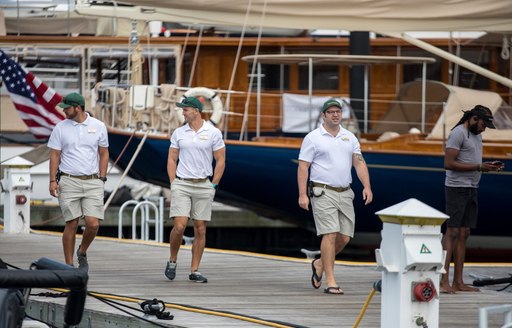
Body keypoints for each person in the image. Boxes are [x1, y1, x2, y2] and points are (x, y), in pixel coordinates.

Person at [297, 99, 373, 295]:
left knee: (345, 237)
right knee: (329, 234)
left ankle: (320, 263)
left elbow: (359, 163)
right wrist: (303, 194)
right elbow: (303, 166)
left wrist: (367, 186)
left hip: (345, 192)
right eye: (330, 112)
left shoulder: (350, 137)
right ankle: (330, 282)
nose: (335, 115)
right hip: (322, 191)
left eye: (338, 111)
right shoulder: (313, 138)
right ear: (324, 115)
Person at [440, 104, 504, 294]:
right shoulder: (458, 133)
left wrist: (487, 166)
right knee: (451, 232)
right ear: (474, 119)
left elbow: (473, 161)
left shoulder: (476, 135)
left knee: (464, 233)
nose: (485, 128)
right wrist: (479, 167)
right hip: (456, 188)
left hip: (471, 188)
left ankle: (459, 281)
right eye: (484, 124)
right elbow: (448, 163)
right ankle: (444, 282)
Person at [165, 96, 226, 283]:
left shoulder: (213, 132)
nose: (183, 112)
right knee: (180, 226)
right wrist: (173, 182)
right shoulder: (179, 132)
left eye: (185, 109)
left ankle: (194, 270)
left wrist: (213, 184)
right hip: (182, 184)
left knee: (200, 229)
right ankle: (172, 260)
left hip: (203, 185)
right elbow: (172, 159)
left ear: (196, 111)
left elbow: (221, 160)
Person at [48, 92, 109, 272]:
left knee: (93, 224)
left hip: (93, 181)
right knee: (72, 223)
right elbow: (54, 155)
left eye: (67, 108)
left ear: (78, 108)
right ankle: (68, 266)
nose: (64, 111)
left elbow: (104, 152)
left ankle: (82, 251)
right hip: (68, 180)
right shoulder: (60, 127)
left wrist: (102, 176)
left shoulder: (98, 126)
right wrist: (53, 181)